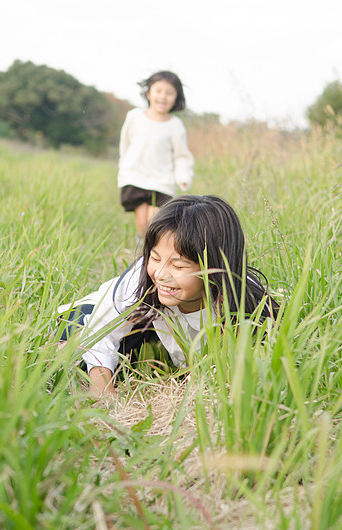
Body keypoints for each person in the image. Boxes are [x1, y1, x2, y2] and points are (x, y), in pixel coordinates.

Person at [58, 195, 278, 397]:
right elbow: (100, 330)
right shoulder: (139, 284)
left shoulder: (248, 306)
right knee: (71, 356)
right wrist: (103, 394)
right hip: (109, 320)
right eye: (154, 258)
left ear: (217, 268)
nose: (161, 274)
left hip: (172, 342)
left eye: (178, 265)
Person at [118, 71, 195, 239]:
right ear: (148, 93)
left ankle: (152, 254)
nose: (163, 97)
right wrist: (124, 167)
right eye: (158, 91)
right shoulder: (134, 117)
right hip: (135, 177)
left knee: (155, 223)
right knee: (142, 224)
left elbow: (181, 155)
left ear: (176, 98)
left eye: (169, 93)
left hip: (161, 181)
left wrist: (183, 176)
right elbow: (125, 144)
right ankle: (142, 256)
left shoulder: (175, 125)